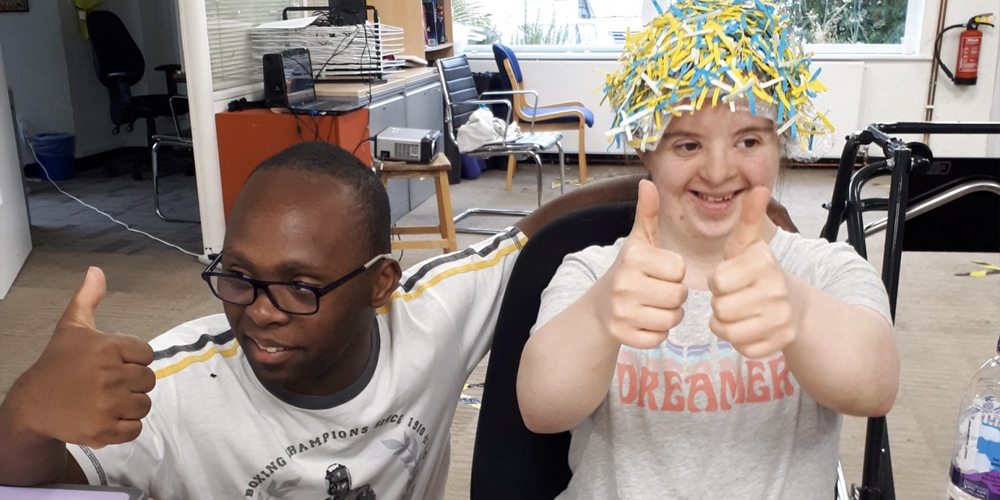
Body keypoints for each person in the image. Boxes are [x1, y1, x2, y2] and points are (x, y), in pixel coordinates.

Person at [0, 141, 648, 499]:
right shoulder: (167, 387)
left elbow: (536, 231)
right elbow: (36, 483)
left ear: (380, 284)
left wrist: (679, 191)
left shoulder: (434, 310)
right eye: (238, 273)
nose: (257, 309)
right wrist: (26, 415)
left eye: (300, 286)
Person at [516, 0, 900, 498]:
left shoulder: (825, 269)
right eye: (686, 145)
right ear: (644, 148)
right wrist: (598, 317)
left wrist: (800, 313)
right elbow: (540, 408)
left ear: (781, 140)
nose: (718, 172)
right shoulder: (595, 273)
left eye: (748, 142)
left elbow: (877, 386)